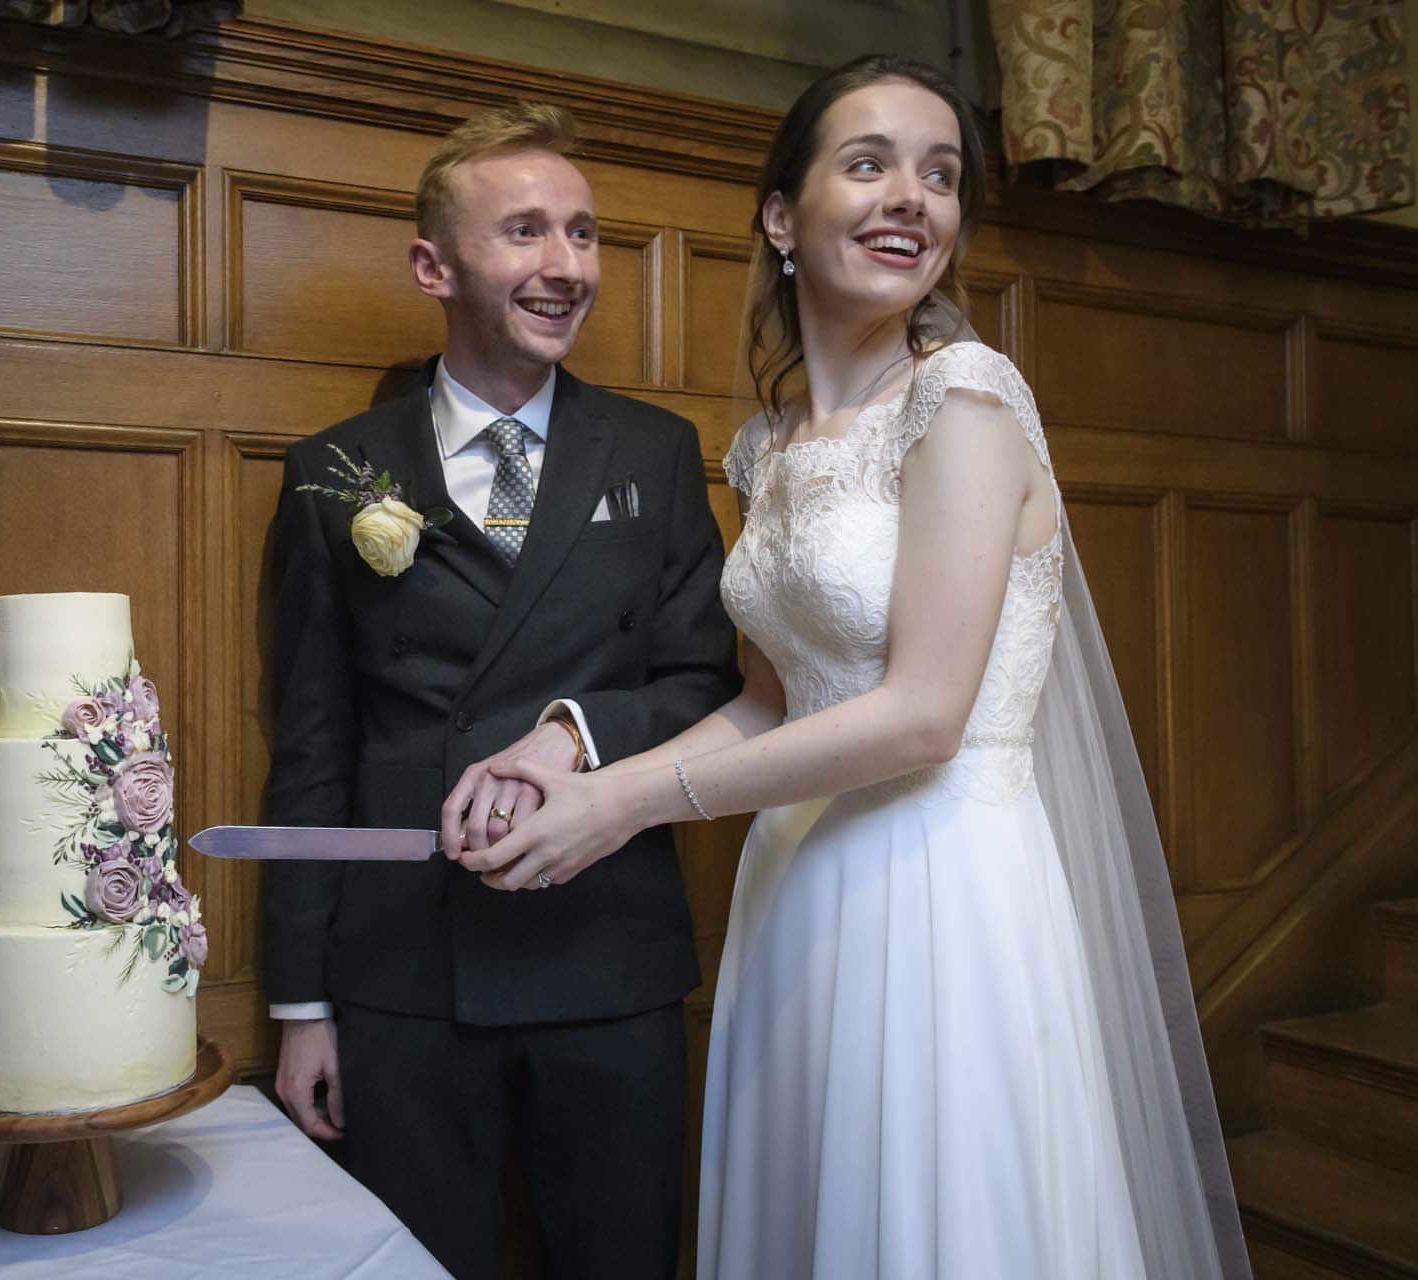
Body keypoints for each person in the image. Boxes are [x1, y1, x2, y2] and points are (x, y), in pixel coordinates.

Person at [455, 56, 1254, 1279]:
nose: (910, 198)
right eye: (869, 163)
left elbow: (926, 714)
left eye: (941, 175)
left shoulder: (965, 397)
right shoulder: (767, 447)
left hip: (941, 882)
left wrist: (626, 804)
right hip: (800, 887)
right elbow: (767, 701)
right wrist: (574, 768)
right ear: (783, 215)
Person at [262, 101, 740, 1279]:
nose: (567, 265)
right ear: (434, 266)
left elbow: (706, 680)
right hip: (405, 969)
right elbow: (312, 746)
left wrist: (575, 732)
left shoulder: (656, 452)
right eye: (526, 231)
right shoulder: (334, 470)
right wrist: (300, 1003)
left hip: (609, 954)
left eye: (583, 233)